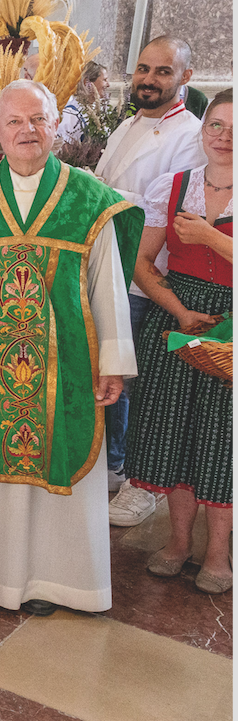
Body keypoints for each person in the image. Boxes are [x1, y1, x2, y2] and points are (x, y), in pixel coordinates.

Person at [0, 80, 141, 616]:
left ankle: (51, 579)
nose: (27, 131)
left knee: (54, 459)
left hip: (64, 368)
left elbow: (107, 286)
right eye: (14, 122)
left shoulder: (91, 201)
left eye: (38, 119)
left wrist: (113, 363)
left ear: (56, 124)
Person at [124, 90, 233, 594]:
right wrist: (181, 311)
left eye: (235, 128)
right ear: (202, 130)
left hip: (232, 324)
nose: (225, 137)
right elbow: (143, 264)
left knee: (221, 440)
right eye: (216, 126)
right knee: (176, 433)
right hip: (177, 317)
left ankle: (217, 554)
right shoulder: (172, 187)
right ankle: (177, 542)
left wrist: (212, 239)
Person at [94, 36, 206, 521]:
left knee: (138, 379)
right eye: (143, 69)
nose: (149, 79)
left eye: (163, 71)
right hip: (110, 266)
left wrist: (104, 194)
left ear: (185, 77)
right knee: (110, 367)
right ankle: (112, 462)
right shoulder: (129, 124)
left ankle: (140, 477)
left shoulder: (193, 135)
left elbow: (175, 206)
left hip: (147, 274)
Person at [58, 60, 108, 145]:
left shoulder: (98, 108)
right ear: (86, 82)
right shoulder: (71, 113)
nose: (108, 84)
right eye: (105, 80)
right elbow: (65, 150)